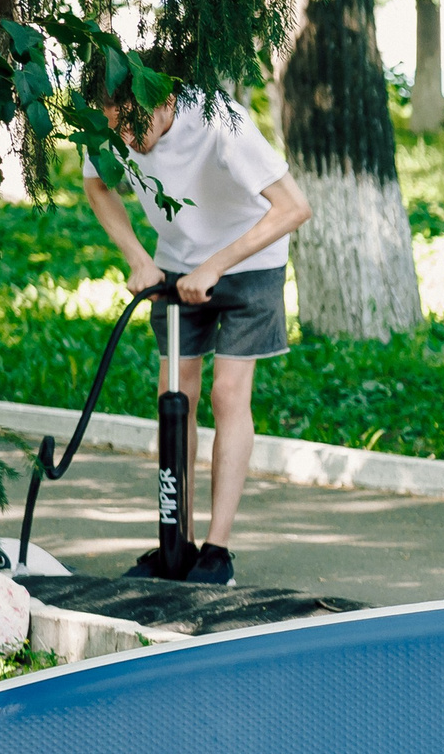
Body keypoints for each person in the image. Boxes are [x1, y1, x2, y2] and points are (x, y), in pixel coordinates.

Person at [85, 91, 313, 586]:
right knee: (175, 394)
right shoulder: (112, 122)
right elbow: (97, 184)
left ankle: (217, 551)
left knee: (227, 393)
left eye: (130, 125)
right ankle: (178, 544)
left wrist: (215, 265)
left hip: (251, 260)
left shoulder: (219, 121)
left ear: (165, 101)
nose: (122, 141)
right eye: (113, 129)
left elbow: (295, 207)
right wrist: (138, 259)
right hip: (177, 263)